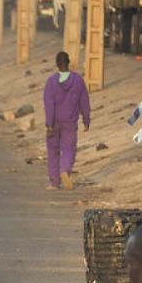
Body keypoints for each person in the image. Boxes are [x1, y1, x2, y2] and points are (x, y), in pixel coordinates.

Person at [43, 51, 92, 189]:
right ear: (68, 62)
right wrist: (86, 120)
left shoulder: (51, 82)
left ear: (57, 64)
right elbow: (84, 102)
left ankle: (54, 182)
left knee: (53, 151)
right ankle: (65, 170)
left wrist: (49, 124)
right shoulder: (78, 80)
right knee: (69, 148)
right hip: (70, 122)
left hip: (54, 122)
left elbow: (49, 104)